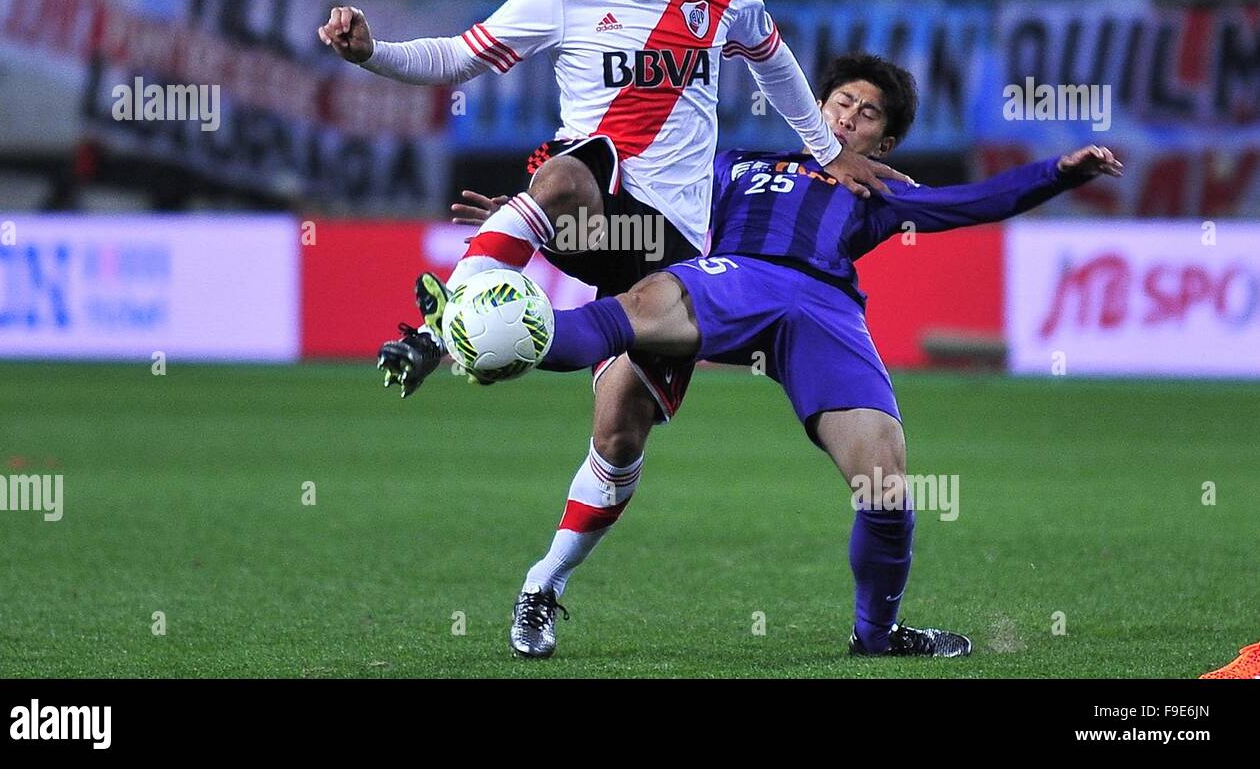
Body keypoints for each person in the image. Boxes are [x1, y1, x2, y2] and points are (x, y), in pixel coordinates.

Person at [317, 0, 904, 658]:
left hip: (668, 251)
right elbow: (456, 55)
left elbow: (775, 67)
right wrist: (369, 51)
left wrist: (824, 148)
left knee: (619, 434)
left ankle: (543, 584)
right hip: (592, 202)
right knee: (568, 167)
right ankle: (440, 324)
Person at [453, 53, 1123, 657]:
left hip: (825, 310)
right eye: (841, 102)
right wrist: (530, 223)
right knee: (625, 367)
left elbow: (971, 201)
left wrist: (1056, 174)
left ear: (882, 141)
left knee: (885, 481)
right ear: (816, 107)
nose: (850, 117)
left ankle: (877, 634)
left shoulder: (881, 188)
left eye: (867, 115)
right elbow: (635, 214)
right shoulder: (734, 163)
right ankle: (484, 345)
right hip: (735, 275)